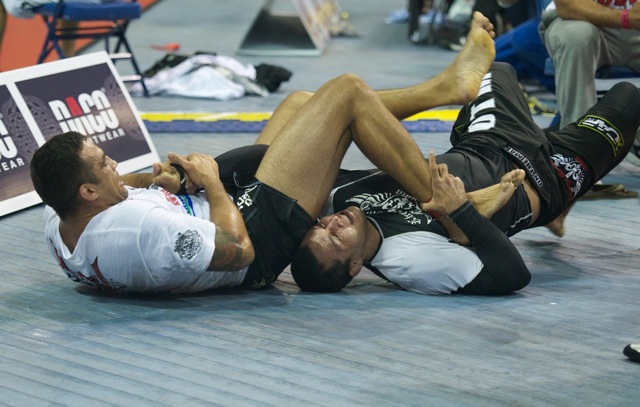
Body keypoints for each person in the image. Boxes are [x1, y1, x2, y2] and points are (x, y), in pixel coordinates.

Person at [31, 12, 510, 294]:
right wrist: (214, 183)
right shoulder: (137, 233)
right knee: (344, 93)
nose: (117, 164)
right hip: (254, 234)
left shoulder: (62, 221)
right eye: (105, 165)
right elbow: (239, 253)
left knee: (301, 105)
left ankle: (447, 89)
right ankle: (448, 208)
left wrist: (156, 183)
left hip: (215, 207)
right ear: (89, 190)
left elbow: (115, 203)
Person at [287, 60, 640, 294]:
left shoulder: (339, 197)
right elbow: (513, 275)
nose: (332, 224)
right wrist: (461, 211)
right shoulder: (411, 261)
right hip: (546, 179)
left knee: (491, 68)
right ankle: (477, 210)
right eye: (335, 239)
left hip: (487, 138)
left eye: (321, 226)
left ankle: (474, 197)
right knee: (627, 98)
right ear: (354, 267)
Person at [538, 0, 640, 163]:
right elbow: (567, 5)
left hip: (634, 33)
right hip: (580, 20)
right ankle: (576, 155)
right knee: (578, 36)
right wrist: (625, 17)